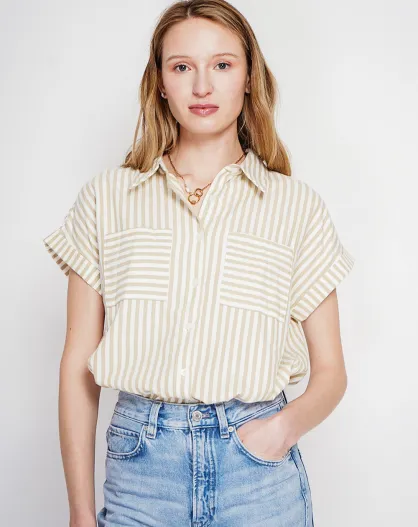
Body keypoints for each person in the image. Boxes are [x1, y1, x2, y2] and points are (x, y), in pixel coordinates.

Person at [42, 1, 355, 525]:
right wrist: (79, 511)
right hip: (141, 473)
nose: (202, 86)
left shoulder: (296, 207)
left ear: (249, 77)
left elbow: (331, 373)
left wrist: (280, 430)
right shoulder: (106, 200)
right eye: (182, 66)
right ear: (161, 83)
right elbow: (78, 364)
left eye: (222, 65)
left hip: (257, 478)